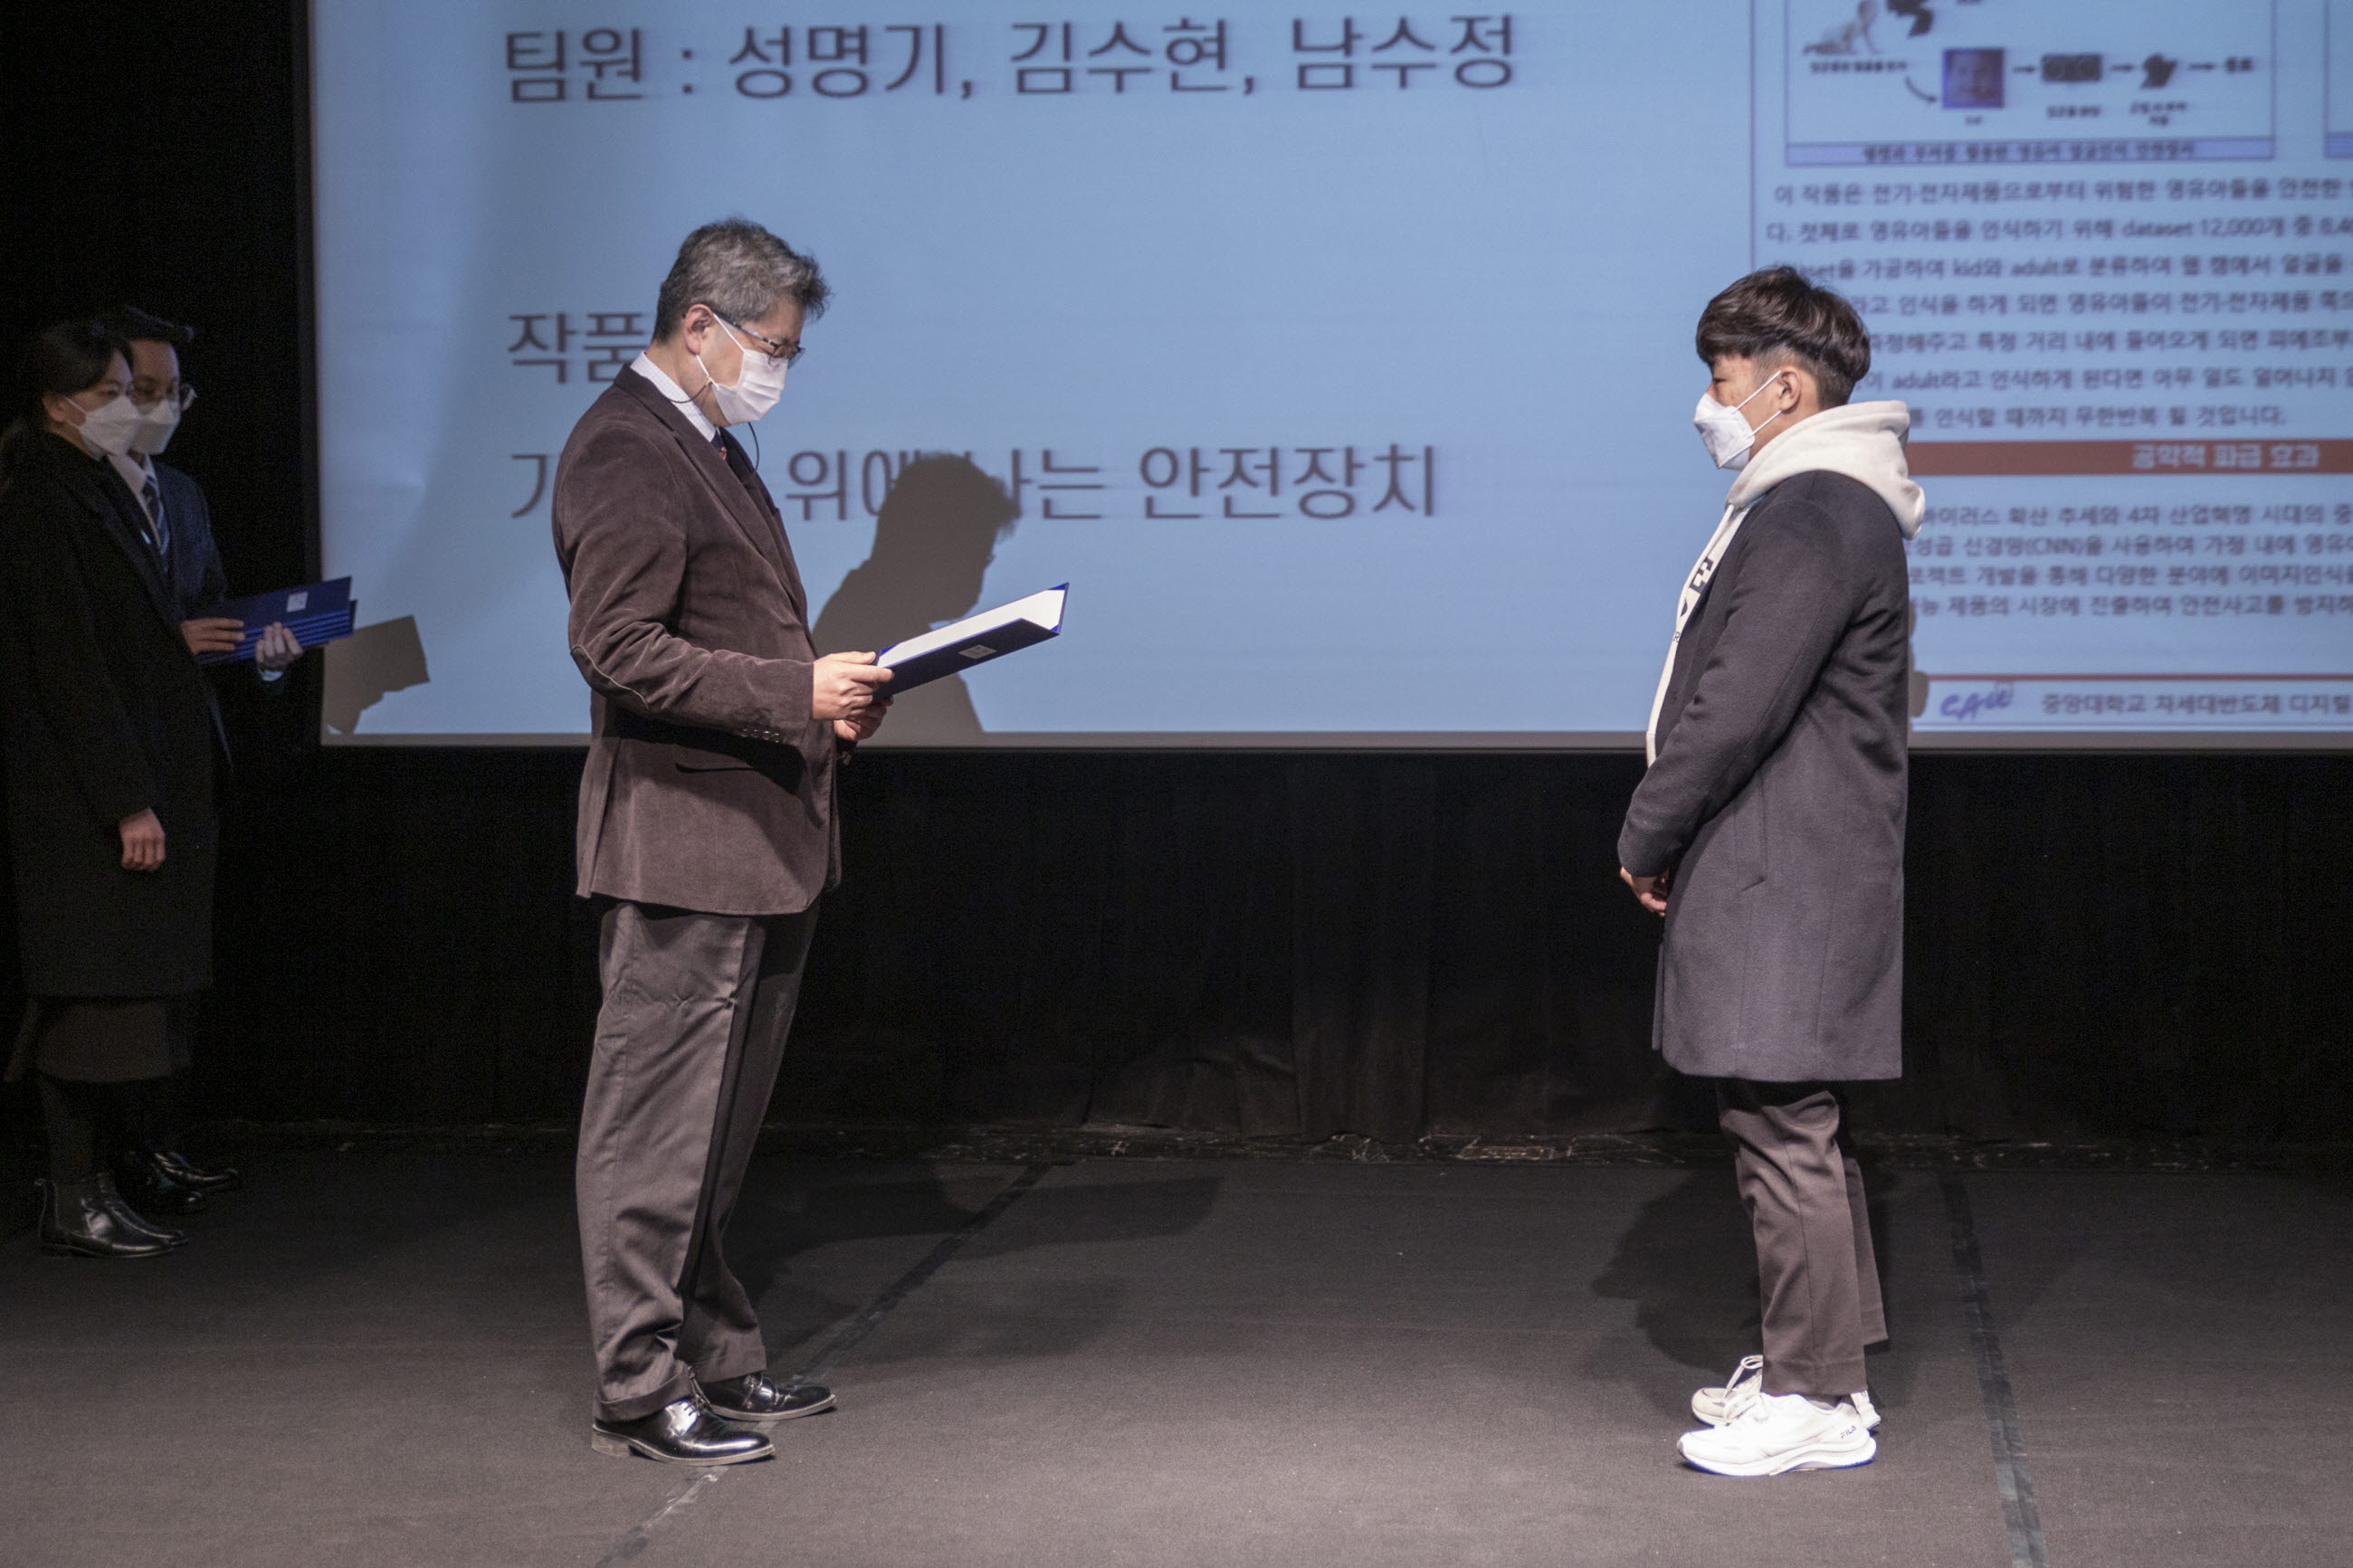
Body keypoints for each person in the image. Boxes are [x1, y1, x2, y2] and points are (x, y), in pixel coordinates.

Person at [551, 219, 892, 1466]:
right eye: (772, 347)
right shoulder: (625, 446)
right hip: (683, 843)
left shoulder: (706, 442)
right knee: (655, 1128)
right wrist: (790, 690)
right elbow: (617, 647)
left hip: (756, 842)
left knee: (717, 1132)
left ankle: (714, 1348)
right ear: (699, 324)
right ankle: (638, 1383)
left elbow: (729, 627)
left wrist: (824, 699)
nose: (779, 372)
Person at [1615, 267, 1923, 1477]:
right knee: (1779, 1116)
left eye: (1723, 377)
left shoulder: (1814, 510)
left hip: (1784, 867)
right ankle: (1819, 1364)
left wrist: (1648, 828)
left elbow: (1736, 703)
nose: (1709, 401)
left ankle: (1817, 1392)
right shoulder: (1819, 501)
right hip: (1782, 859)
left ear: (1785, 387)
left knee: (1783, 1122)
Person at [0, 320, 221, 1259]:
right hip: (77, 797)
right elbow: (70, 668)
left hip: (122, 779)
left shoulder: (98, 489)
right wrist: (126, 797)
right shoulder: (40, 501)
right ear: (59, 405)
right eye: (114, 394)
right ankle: (72, 1194)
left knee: (118, 997)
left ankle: (98, 1186)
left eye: (140, 390)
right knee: (83, 1000)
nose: (136, 408)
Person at [91, 304, 305, 1216]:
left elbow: (213, 612)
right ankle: (105, 1164)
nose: (158, 407)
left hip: (189, 767)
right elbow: (74, 649)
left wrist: (263, 655)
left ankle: (157, 1143)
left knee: (180, 975)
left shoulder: (179, 493)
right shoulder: (71, 499)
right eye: (138, 390)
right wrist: (167, 641)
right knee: (116, 984)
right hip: (112, 770)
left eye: (173, 392)